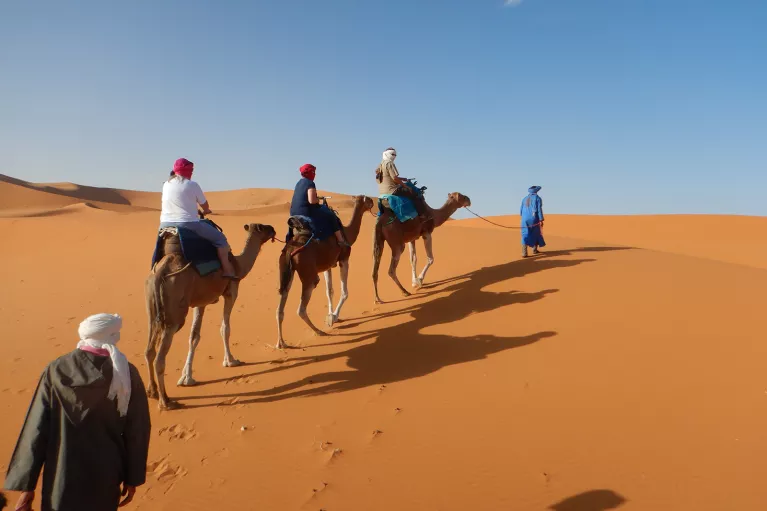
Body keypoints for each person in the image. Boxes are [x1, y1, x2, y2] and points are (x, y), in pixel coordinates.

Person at [4, 314, 151, 511]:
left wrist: (26, 487)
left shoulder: (56, 369)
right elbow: (137, 430)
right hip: (105, 475)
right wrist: (132, 478)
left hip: (61, 475)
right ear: (111, 336)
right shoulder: (125, 374)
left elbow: (37, 427)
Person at [159, 158, 238, 278]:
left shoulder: (166, 184)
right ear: (188, 171)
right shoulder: (192, 185)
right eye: (191, 170)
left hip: (164, 225)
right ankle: (227, 269)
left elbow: (179, 202)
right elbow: (204, 204)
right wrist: (206, 211)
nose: (192, 173)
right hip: (187, 224)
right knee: (220, 239)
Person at [289, 163, 350, 246]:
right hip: (306, 213)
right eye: (313, 172)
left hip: (293, 213)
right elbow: (311, 200)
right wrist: (318, 199)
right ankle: (341, 240)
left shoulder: (298, 183)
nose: (315, 175)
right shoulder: (310, 183)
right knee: (331, 215)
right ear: (310, 173)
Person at [374, 147, 429, 220]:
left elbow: (387, 177)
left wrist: (402, 179)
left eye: (395, 155)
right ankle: (422, 215)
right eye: (392, 154)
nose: (394, 156)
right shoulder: (389, 163)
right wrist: (405, 186)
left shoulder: (380, 165)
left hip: (382, 192)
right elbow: (394, 178)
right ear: (387, 154)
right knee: (414, 193)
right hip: (392, 190)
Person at [520, 185, 546, 257]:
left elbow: (521, 211)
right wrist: (541, 219)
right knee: (536, 233)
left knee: (525, 234)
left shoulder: (524, 198)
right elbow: (539, 210)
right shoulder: (538, 198)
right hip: (534, 219)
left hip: (524, 219)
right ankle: (534, 250)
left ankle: (524, 253)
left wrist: (524, 217)